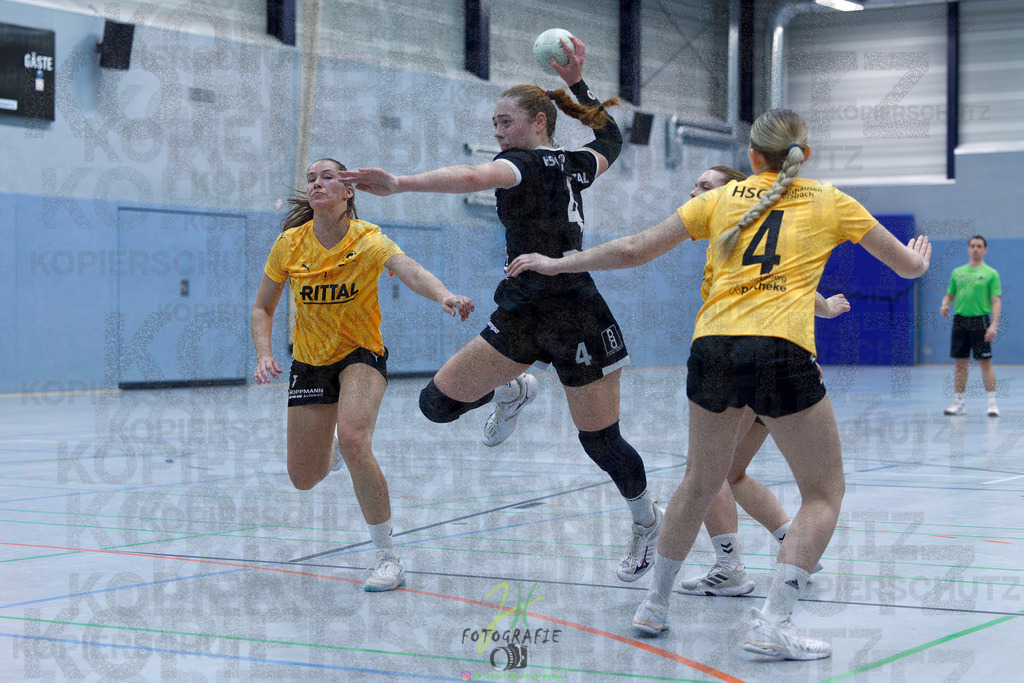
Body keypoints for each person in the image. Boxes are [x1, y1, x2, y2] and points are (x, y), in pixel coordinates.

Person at [506, 108, 931, 660]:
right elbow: (904, 268)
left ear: (751, 157)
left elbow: (634, 248)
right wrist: (919, 264)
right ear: (805, 155)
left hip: (713, 348)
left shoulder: (718, 200)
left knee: (699, 481)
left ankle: (654, 605)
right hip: (779, 349)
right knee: (824, 494)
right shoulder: (831, 200)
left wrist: (556, 263)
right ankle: (774, 621)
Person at [339, 36, 663, 583]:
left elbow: (469, 177)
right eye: (494, 124)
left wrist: (400, 184)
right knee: (435, 404)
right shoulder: (579, 163)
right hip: (522, 308)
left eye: (505, 121)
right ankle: (513, 390)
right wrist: (579, 83)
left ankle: (646, 520)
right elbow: (611, 135)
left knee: (600, 440)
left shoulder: (523, 165)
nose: (497, 133)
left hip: (578, 313)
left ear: (539, 121)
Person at [251, 158, 474, 592]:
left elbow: (408, 268)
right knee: (303, 478)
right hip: (310, 361)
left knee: (355, 440)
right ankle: (328, 453)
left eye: (327, 177)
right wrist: (263, 355)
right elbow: (262, 307)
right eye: (311, 178)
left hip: (360, 355)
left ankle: (387, 557)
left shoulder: (368, 240)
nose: (316, 183)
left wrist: (444, 295)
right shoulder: (289, 245)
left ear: (348, 190)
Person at [679, 166, 851, 598]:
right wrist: (825, 308)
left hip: (748, 369)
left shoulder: (741, 236)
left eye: (705, 186)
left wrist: (825, 311)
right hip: (763, 368)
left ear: (733, 195)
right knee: (733, 473)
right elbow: (783, 285)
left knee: (706, 474)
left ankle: (729, 568)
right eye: (695, 185)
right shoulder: (732, 241)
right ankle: (792, 541)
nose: (695, 191)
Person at [940, 235, 1001, 417]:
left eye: (979, 246)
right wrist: (945, 304)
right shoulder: (958, 272)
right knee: (960, 363)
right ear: (968, 249)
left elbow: (996, 300)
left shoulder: (991, 274)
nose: (976, 248)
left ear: (985, 250)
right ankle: (958, 402)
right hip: (960, 321)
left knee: (985, 362)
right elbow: (950, 295)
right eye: (973, 246)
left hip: (980, 321)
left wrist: (994, 325)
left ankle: (992, 404)